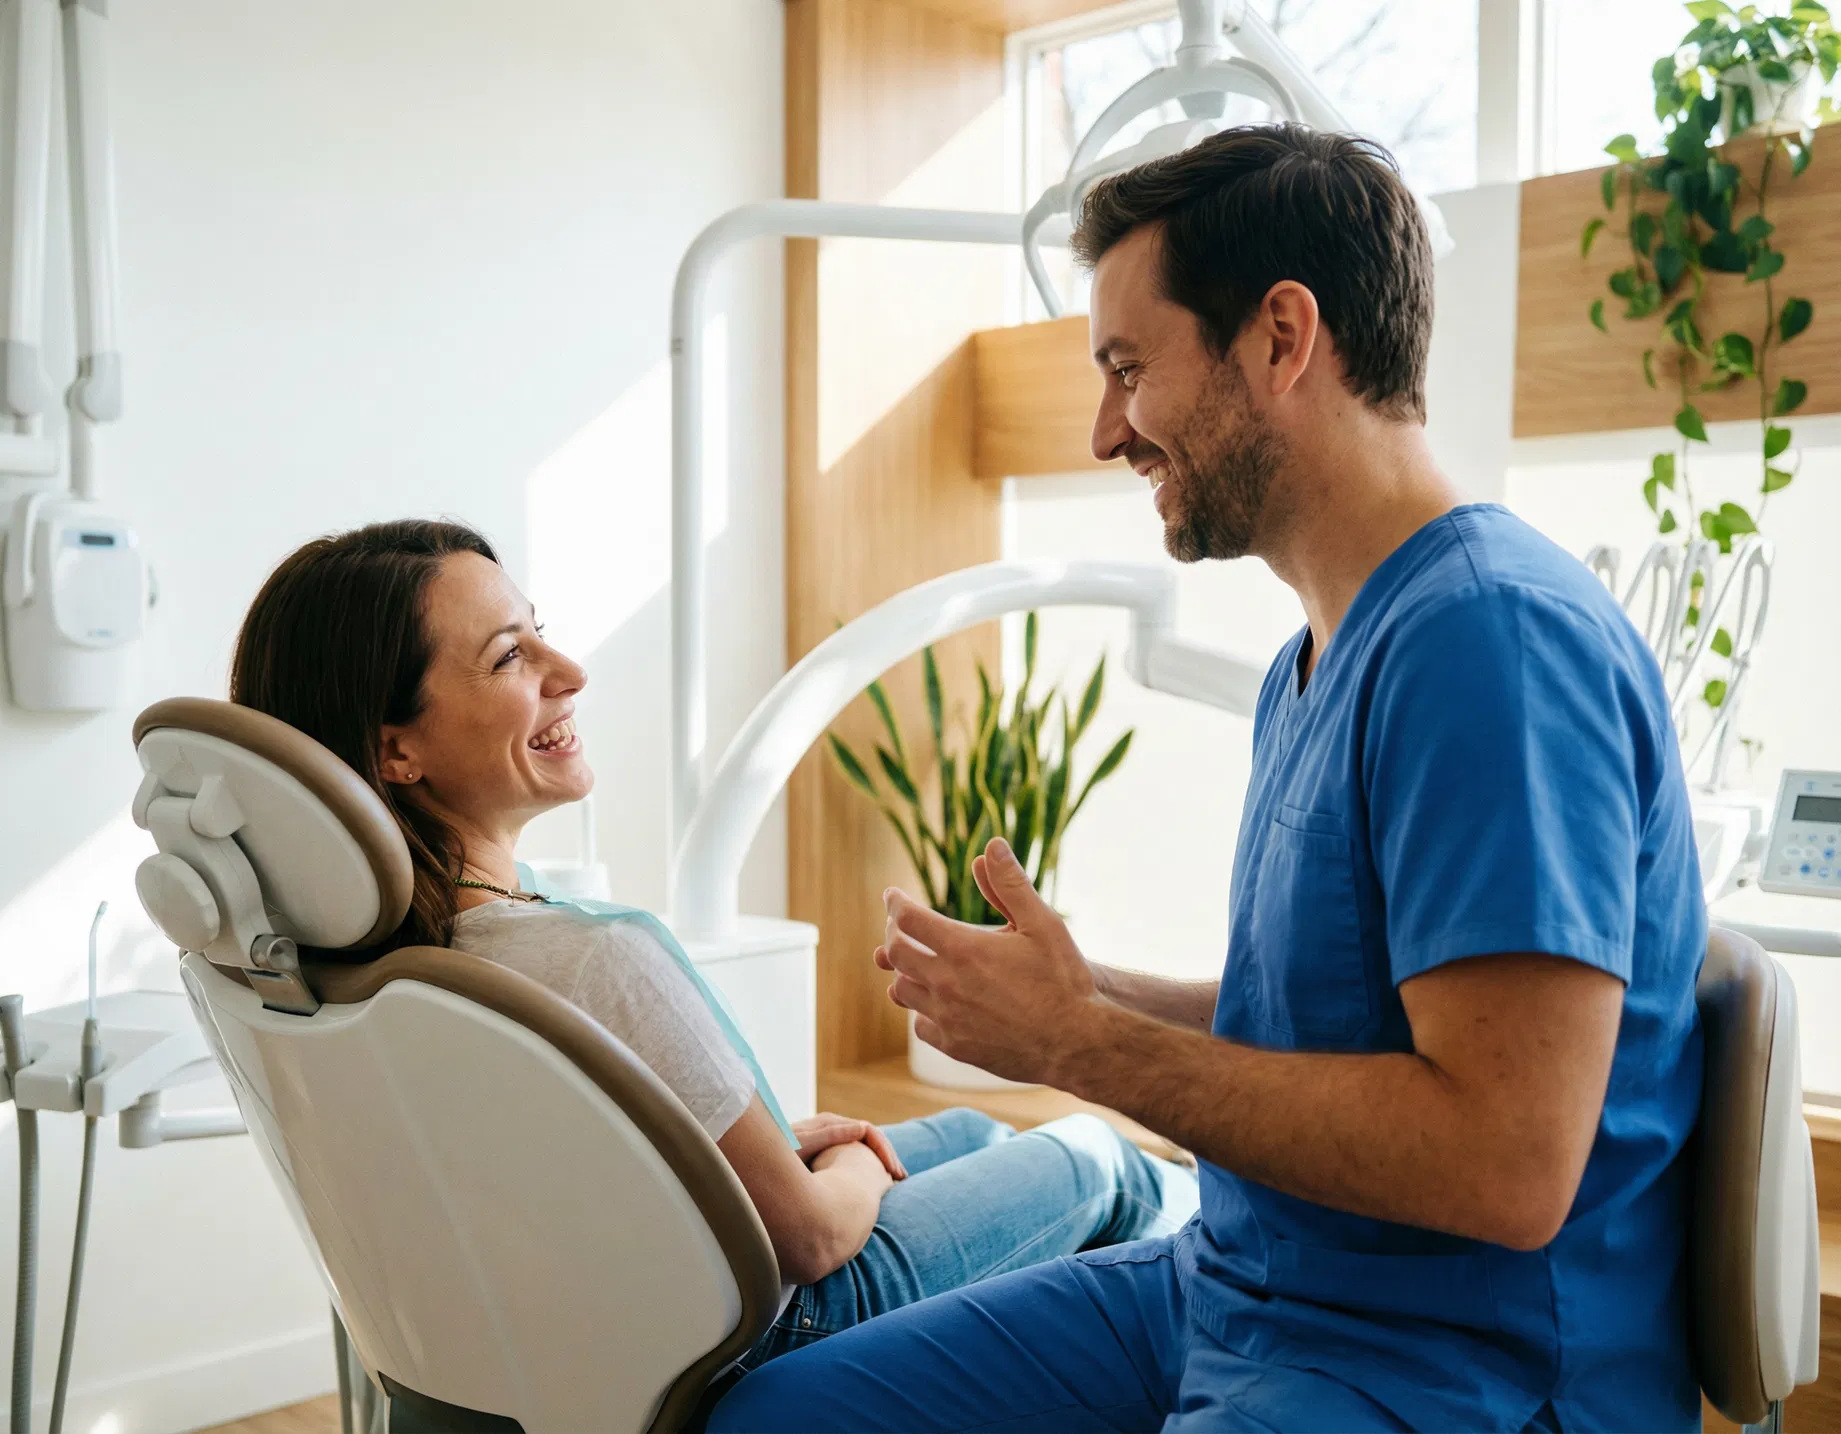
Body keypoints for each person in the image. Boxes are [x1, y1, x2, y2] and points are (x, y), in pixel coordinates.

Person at [708, 125, 1706, 1432]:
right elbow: (1329, 1020)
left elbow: (1508, 1159)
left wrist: (1081, 1040)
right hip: (1243, 1286)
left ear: (1282, 339)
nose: (1106, 428)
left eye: (1129, 368)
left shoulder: (1490, 644)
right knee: (779, 1416)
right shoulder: (1321, 653)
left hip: (1457, 1366)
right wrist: (1079, 990)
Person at [227, 518, 1197, 1372]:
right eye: (509, 657)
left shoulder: (372, 971)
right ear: (396, 750)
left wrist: (769, 1148)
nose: (570, 672)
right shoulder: (588, 958)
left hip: (634, 1296)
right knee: (1096, 1162)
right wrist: (850, 1154)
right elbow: (813, 1243)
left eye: (541, 632)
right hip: (773, 1322)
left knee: (982, 1134)